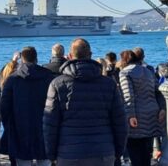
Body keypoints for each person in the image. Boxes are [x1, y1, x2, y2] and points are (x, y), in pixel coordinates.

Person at [44, 38, 128, 166]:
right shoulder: (109, 84)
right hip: (103, 152)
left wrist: (51, 155)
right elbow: (120, 121)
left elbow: (50, 124)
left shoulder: (57, 84)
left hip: (68, 153)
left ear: (70, 56)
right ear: (90, 55)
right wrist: (118, 151)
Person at [0, 46, 55, 166]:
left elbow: (4, 106)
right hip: (44, 125)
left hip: (19, 126)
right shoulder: (49, 76)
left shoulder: (12, 79)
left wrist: (8, 124)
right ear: (36, 58)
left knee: (23, 160)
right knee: (44, 160)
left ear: (21, 59)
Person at [119, 50, 165, 166]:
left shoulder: (125, 73)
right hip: (152, 114)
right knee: (146, 152)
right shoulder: (148, 71)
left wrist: (131, 115)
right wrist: (162, 108)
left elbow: (127, 95)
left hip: (136, 117)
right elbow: (158, 92)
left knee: (134, 153)